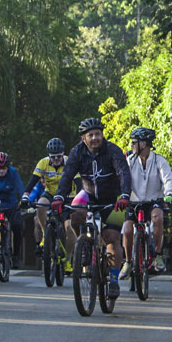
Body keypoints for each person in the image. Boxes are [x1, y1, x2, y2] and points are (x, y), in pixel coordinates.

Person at [51, 116, 132, 300]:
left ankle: (113, 281)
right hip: (89, 194)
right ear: (83, 138)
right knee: (75, 213)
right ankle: (85, 246)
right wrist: (58, 196)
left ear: (102, 135)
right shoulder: (77, 152)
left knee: (111, 237)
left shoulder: (113, 150)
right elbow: (67, 175)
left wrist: (125, 195)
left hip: (114, 198)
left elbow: (124, 174)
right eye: (91, 135)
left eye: (98, 134)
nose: (95, 138)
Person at [120, 126, 172, 277]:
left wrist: (169, 193)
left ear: (143, 144)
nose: (132, 145)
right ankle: (128, 262)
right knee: (127, 229)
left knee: (158, 217)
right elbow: (122, 179)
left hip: (153, 201)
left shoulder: (159, 161)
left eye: (134, 142)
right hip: (133, 202)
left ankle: (157, 255)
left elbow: (168, 180)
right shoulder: (129, 161)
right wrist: (121, 195)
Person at [24, 138, 67, 247]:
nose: (56, 159)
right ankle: (45, 234)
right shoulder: (43, 162)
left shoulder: (69, 161)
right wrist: (25, 195)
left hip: (67, 194)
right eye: (53, 156)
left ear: (63, 153)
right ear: (49, 155)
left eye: (59, 156)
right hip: (50, 193)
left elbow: (78, 181)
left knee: (69, 225)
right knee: (40, 205)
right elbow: (33, 180)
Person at [0, 152, 24, 261]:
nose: (1, 171)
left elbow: (20, 188)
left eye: (4, 168)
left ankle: (15, 254)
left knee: (17, 226)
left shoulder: (13, 172)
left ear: (8, 167)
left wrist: (24, 200)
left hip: (11, 204)